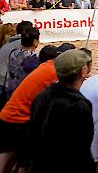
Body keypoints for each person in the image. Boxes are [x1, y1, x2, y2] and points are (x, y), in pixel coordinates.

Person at [0, 43, 76, 172]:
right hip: (20, 119)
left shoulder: (48, 65)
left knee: (9, 157)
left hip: (10, 114)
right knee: (24, 162)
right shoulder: (55, 72)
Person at [29, 49, 94, 173]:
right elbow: (82, 148)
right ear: (83, 71)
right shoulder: (79, 105)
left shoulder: (42, 96)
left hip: (41, 164)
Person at [5, 24, 40, 97]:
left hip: (11, 89)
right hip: (24, 93)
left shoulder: (13, 53)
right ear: (35, 41)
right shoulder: (34, 58)